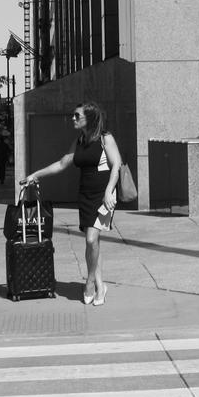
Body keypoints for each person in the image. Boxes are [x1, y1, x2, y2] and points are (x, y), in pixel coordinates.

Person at [20, 101, 122, 306]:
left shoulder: (105, 138)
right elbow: (61, 164)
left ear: (89, 118)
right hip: (84, 196)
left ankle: (90, 281)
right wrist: (34, 175)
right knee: (92, 242)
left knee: (92, 240)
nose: (72, 119)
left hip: (103, 196)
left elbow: (116, 164)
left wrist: (109, 191)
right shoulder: (80, 141)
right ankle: (101, 285)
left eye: (77, 116)